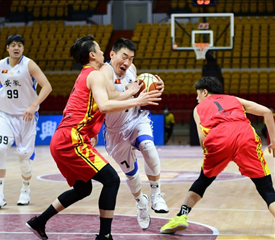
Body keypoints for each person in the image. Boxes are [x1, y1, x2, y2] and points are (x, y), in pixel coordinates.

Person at [25, 35, 162, 240]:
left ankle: (39, 222)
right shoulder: (96, 75)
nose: (102, 53)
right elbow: (106, 105)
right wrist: (138, 99)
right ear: (92, 55)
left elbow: (109, 98)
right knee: (111, 179)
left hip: (62, 139)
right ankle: (104, 235)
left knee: (83, 188)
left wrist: (131, 91)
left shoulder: (87, 74)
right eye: (99, 49)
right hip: (72, 138)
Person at [160, 76, 275, 234]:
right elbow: (267, 112)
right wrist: (273, 141)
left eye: (198, 94)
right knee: (267, 190)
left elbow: (202, 140)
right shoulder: (234, 99)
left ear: (205, 92)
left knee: (203, 181)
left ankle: (181, 215)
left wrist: (214, 154)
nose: (196, 98)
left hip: (219, 137)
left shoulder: (198, 109)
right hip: (245, 134)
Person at [99, 38, 168, 230]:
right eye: (124, 57)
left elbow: (138, 94)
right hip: (114, 131)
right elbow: (110, 97)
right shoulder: (104, 72)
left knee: (148, 146)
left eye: (131, 58)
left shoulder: (132, 69)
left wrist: (153, 89)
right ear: (112, 55)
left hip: (136, 120)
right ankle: (141, 202)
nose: (127, 62)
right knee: (131, 175)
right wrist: (131, 93)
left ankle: (156, 195)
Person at [0, 34, 52, 210]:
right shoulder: (0, 65)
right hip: (5, 116)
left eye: (19, 45)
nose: (16, 48)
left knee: (23, 158)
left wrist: (34, 105)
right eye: (13, 45)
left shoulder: (29, 64)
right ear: (7, 48)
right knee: (1, 150)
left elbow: (47, 86)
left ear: (23, 49)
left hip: (26, 117)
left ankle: (25, 190)